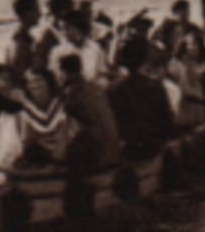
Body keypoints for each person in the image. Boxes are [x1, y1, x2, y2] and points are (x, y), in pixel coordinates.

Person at [108, 35, 175, 164]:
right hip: (151, 152)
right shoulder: (155, 88)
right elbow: (167, 126)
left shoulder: (113, 88)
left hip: (126, 151)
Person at [58, 53, 122, 175]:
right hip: (113, 148)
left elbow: (62, 119)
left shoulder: (73, 93)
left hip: (98, 153)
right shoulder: (95, 87)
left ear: (64, 72)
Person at [17, 67, 73, 166]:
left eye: (38, 80)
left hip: (66, 152)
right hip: (42, 157)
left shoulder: (62, 104)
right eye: (30, 82)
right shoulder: (26, 111)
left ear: (48, 81)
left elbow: (66, 133)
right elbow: (28, 141)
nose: (34, 85)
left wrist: (58, 156)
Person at [5, 0, 43, 77]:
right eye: (36, 10)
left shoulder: (23, 36)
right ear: (26, 13)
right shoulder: (21, 39)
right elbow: (19, 69)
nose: (40, 14)